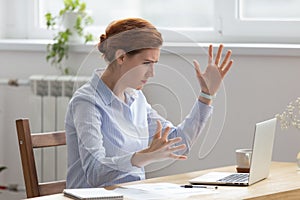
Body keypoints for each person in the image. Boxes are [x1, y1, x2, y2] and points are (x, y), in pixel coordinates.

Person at [65, 17, 233, 188]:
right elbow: (95, 173)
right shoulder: (86, 102)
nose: (152, 73)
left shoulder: (136, 98)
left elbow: (178, 143)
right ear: (121, 57)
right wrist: (144, 156)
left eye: (154, 64)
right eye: (146, 63)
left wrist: (206, 96)